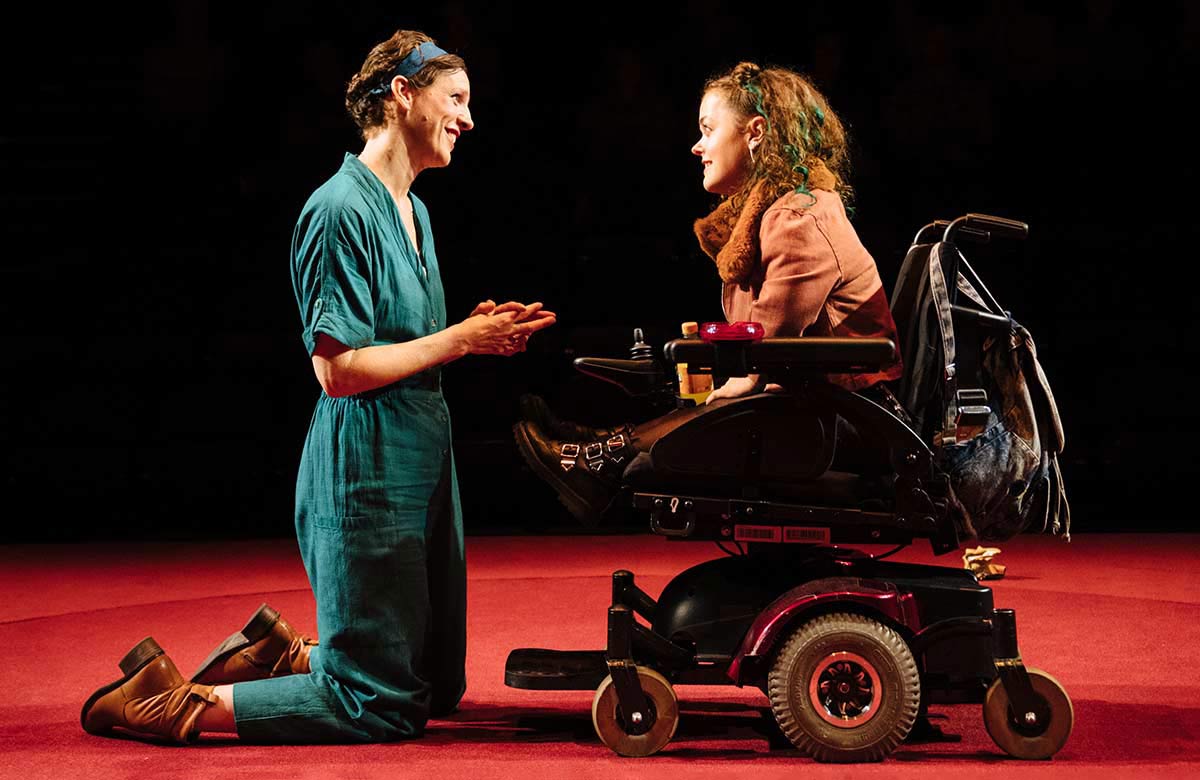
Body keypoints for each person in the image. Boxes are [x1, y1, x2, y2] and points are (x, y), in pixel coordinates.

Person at [81, 29, 555, 744]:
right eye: (455, 99)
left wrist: (470, 335)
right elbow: (337, 371)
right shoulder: (339, 210)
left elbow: (399, 344)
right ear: (403, 94)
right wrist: (459, 339)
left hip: (421, 447)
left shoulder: (415, 211)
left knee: (437, 682)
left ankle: (288, 652)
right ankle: (172, 701)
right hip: (366, 461)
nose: (468, 118)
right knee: (382, 705)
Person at [515, 61, 903, 524]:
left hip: (854, 423)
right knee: (719, 399)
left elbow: (767, 346)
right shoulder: (777, 211)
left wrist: (733, 380)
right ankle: (598, 450)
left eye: (708, 129)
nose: (698, 146)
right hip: (818, 408)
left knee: (731, 403)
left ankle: (599, 459)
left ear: (755, 132)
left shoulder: (800, 216)